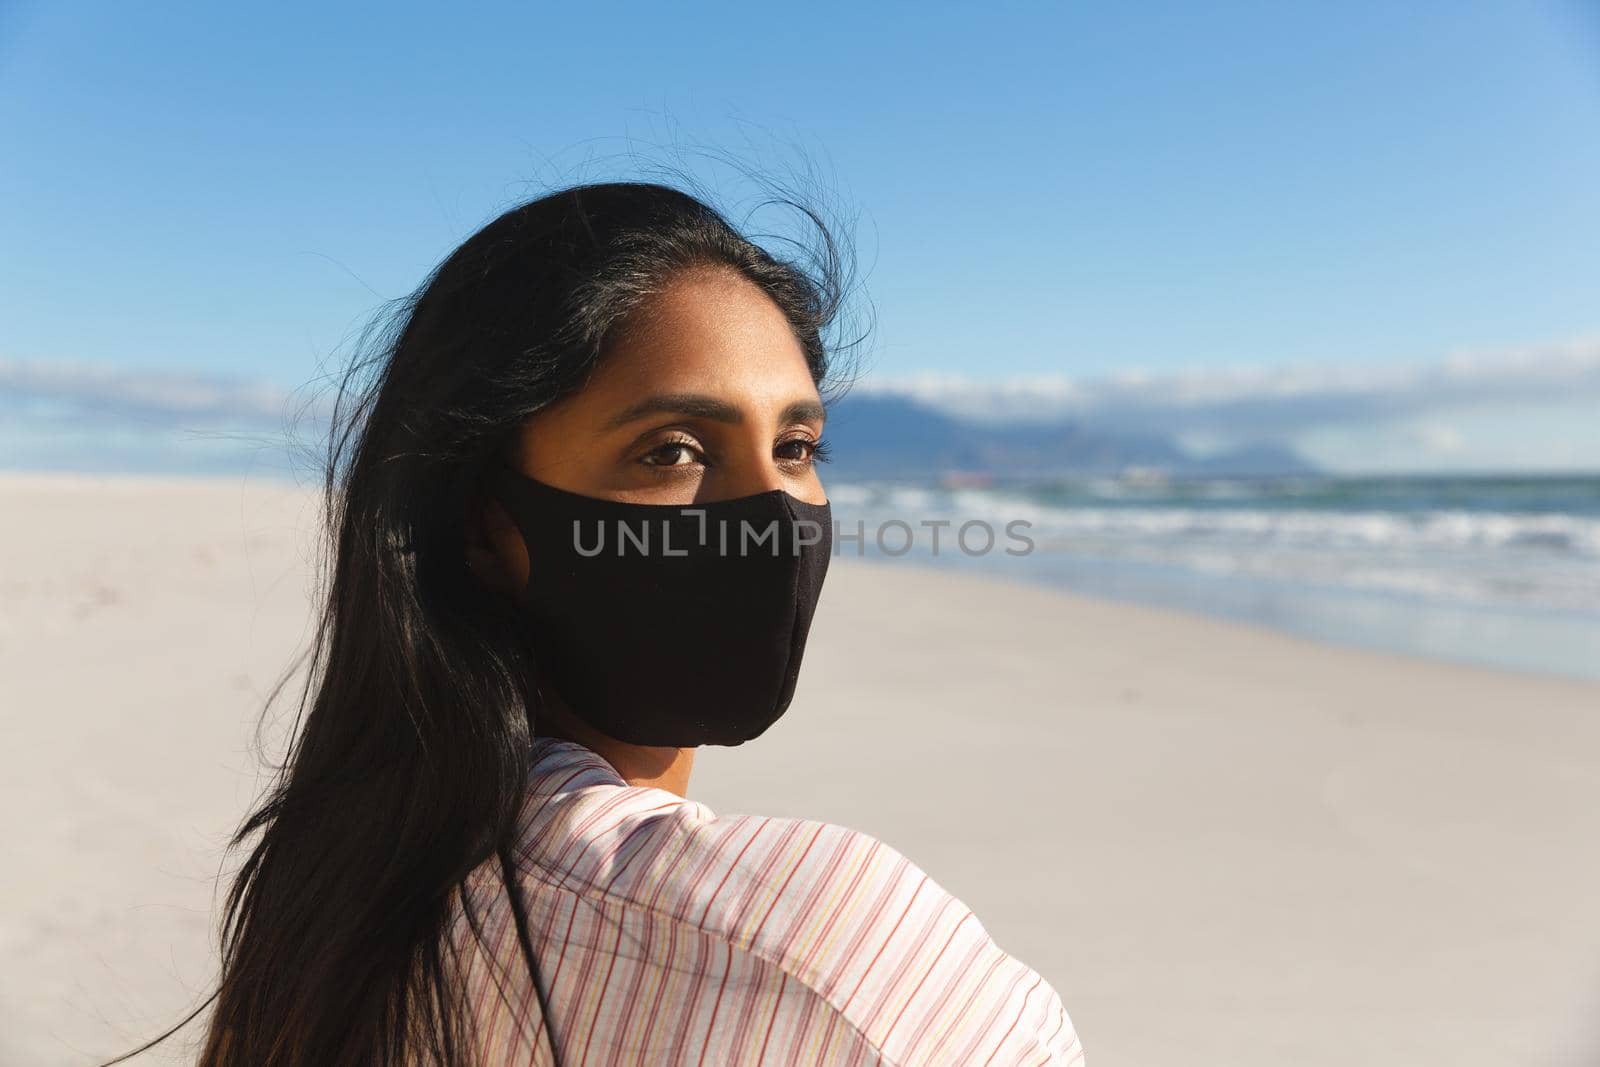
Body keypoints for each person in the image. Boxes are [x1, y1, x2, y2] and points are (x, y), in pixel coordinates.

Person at [118, 181, 1083, 1065]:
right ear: (487, 524)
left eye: (795, 445)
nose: (773, 515)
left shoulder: (333, 898)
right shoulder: (826, 951)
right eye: (672, 449)